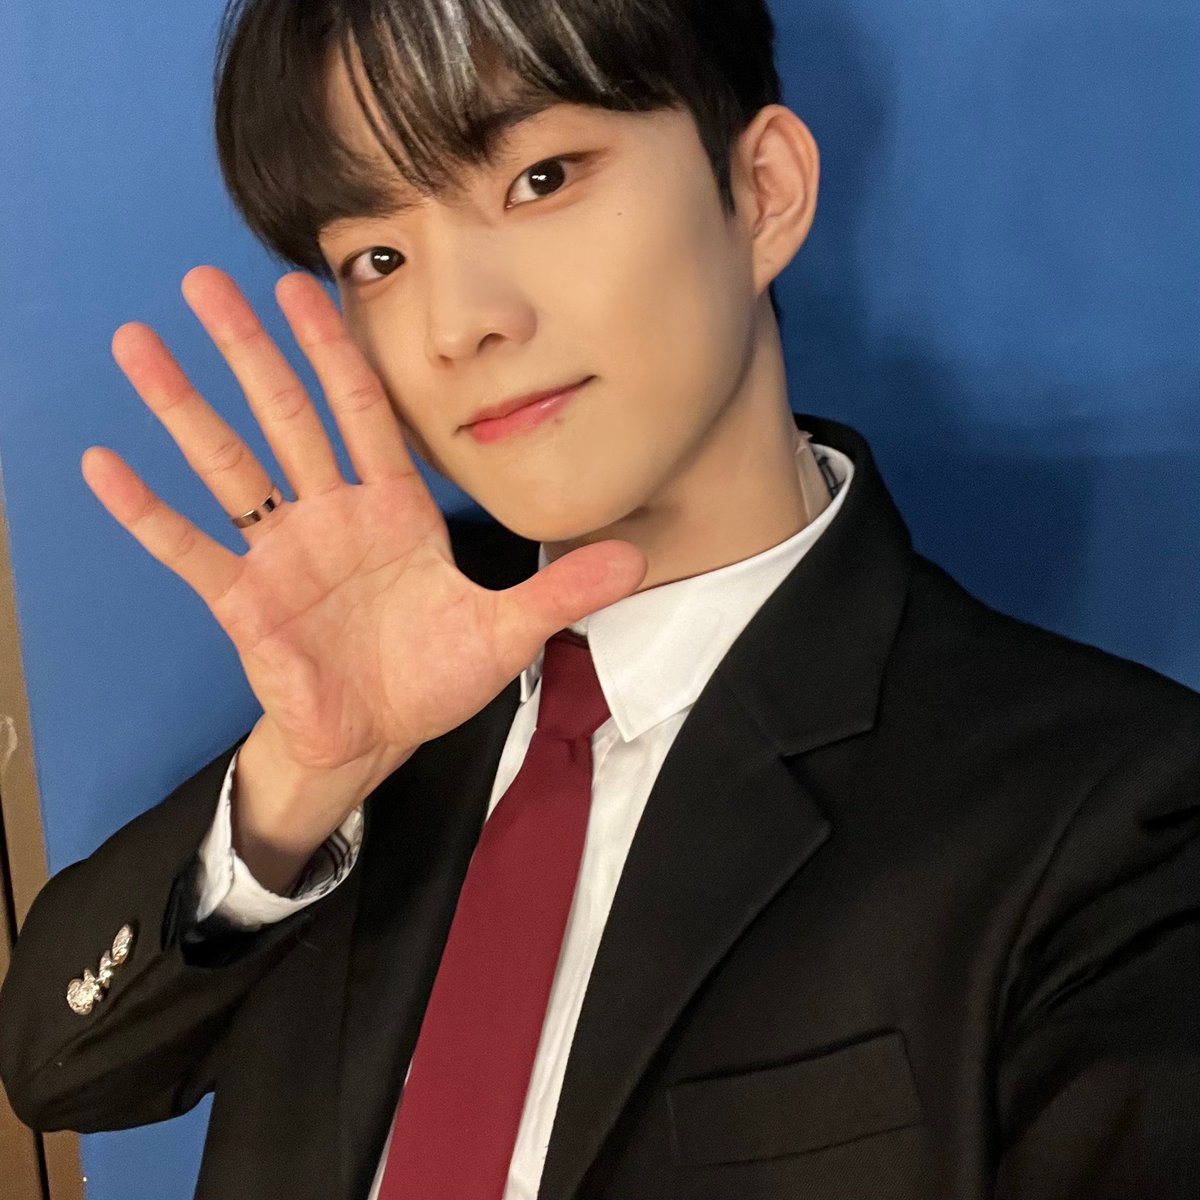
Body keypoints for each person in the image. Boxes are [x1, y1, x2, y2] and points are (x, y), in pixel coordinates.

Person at [1, 0, 1198, 1197]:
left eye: (542, 178)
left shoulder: (1116, 813)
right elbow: (58, 1069)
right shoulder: (384, 703)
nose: (459, 325)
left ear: (763, 191)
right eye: (379, 258)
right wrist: (302, 780)